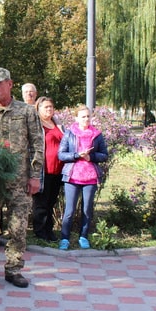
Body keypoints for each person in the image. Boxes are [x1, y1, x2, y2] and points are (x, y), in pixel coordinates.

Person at [0, 68, 43, 289]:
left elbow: (37, 144)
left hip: (19, 181)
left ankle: (14, 269)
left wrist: (35, 176)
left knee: (18, 228)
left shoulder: (26, 112)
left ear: (10, 84)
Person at [57, 105, 108, 250]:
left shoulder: (97, 134)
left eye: (88, 116)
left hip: (90, 177)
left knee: (87, 209)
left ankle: (83, 236)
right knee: (70, 210)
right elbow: (61, 154)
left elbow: (104, 155)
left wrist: (90, 157)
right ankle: (65, 238)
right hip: (72, 176)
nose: (86, 119)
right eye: (83, 116)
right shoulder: (69, 133)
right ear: (76, 118)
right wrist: (76, 155)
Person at [32, 97, 65, 242]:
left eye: (51, 107)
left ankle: (49, 230)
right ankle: (40, 232)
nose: (49, 110)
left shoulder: (57, 124)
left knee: (51, 202)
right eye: (45, 107)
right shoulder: (36, 125)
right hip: (42, 171)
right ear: (38, 109)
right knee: (41, 203)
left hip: (58, 170)